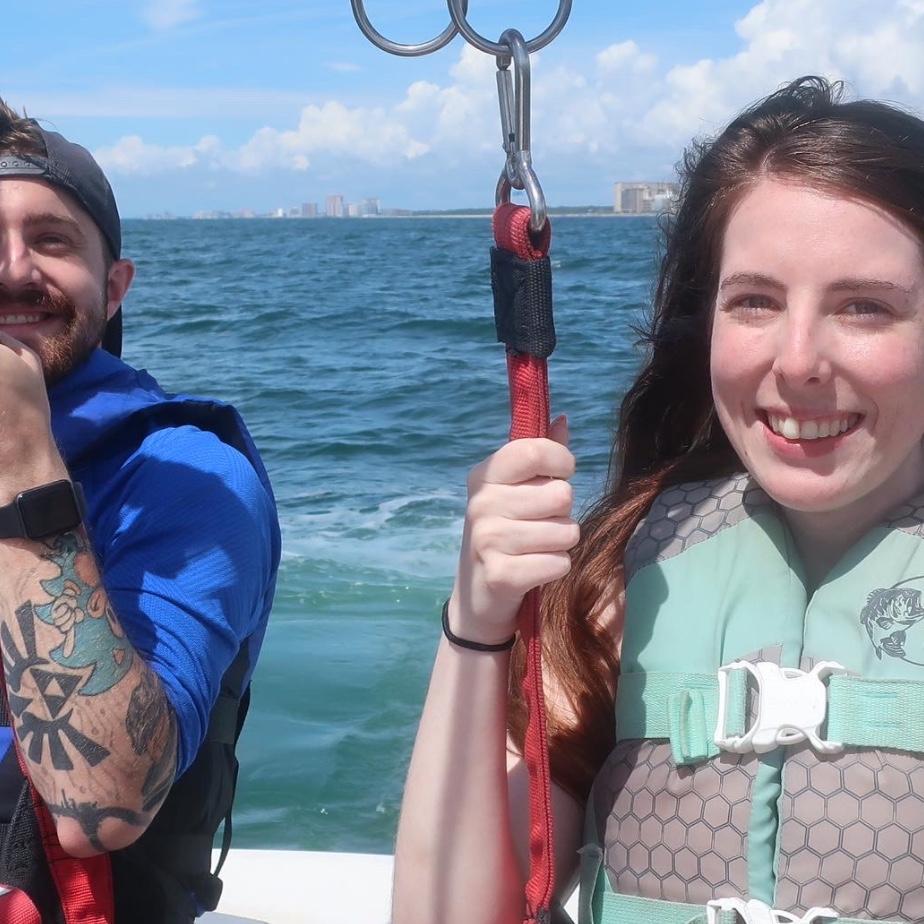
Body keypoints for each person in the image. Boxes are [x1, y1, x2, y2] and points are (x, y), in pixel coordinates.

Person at [393, 75, 924, 924]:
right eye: (755, 301)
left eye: (864, 307)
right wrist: (477, 622)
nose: (797, 361)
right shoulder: (626, 582)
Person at [0, 98, 280, 922]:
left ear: (115, 286)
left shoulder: (189, 476)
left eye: (51, 240)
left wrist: (22, 459)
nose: (12, 269)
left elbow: (105, 802)